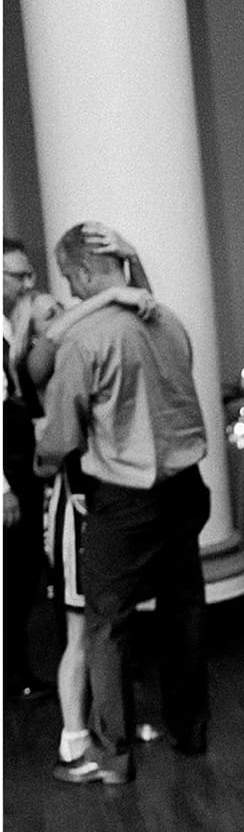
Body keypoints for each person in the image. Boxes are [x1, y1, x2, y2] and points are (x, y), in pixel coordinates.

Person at [37, 223, 209, 785]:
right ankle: (191, 731)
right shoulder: (169, 321)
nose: (72, 290)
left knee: (106, 625)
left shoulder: (84, 339)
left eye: (71, 278)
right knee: (184, 611)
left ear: (85, 273)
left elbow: (62, 434)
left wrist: (40, 466)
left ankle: (111, 756)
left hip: (124, 499)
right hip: (186, 489)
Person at [4, 237, 55, 704]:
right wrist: (3, 489)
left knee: (23, 572)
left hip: (24, 466)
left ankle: (17, 669)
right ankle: (14, 673)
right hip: (10, 472)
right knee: (15, 575)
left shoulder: (12, 329)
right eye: (18, 275)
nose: (28, 283)